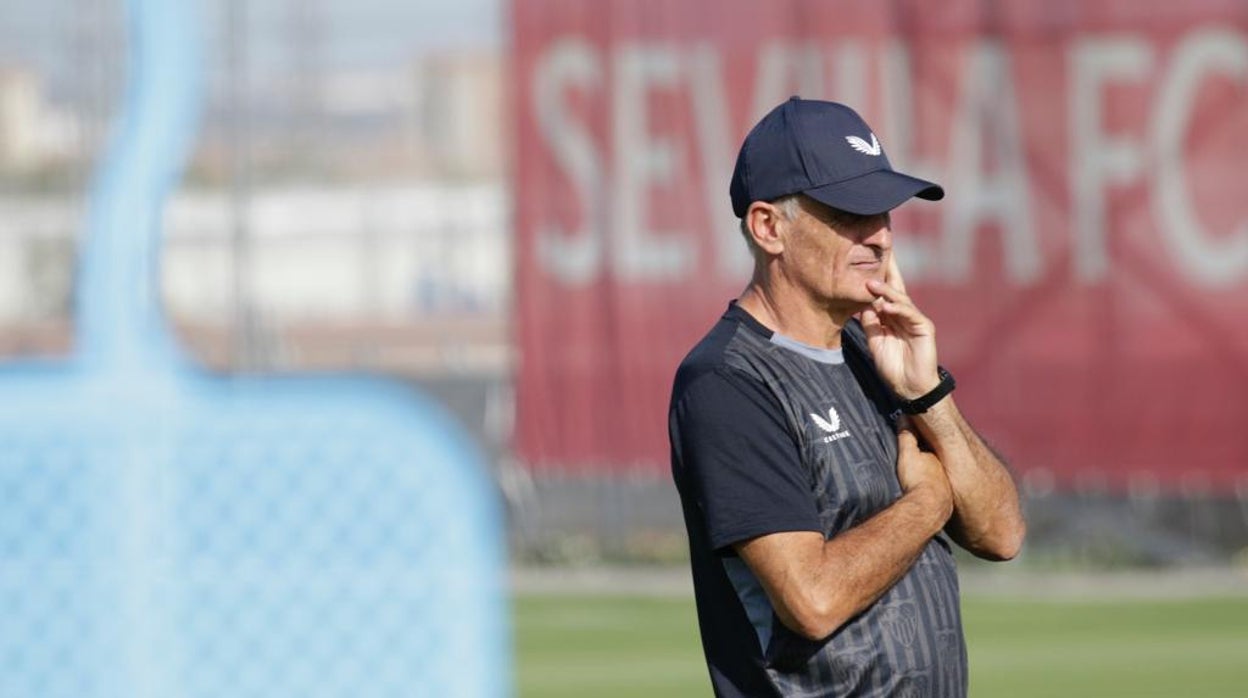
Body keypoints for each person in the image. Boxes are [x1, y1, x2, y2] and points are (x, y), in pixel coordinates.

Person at [668, 97, 1026, 697]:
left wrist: (927, 395)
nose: (879, 236)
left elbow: (1002, 535)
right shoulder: (727, 381)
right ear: (768, 227)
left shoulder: (878, 353)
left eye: (883, 212)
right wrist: (929, 501)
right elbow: (812, 600)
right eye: (849, 213)